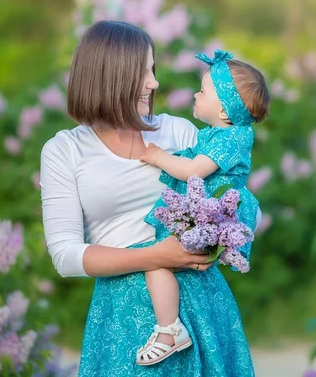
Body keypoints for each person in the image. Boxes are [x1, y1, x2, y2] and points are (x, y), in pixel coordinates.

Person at [40, 20, 258, 376]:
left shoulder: (180, 132)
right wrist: (156, 255)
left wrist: (221, 236)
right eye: (143, 72)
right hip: (121, 313)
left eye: (153, 70)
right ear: (110, 76)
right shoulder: (64, 150)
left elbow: (230, 196)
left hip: (201, 307)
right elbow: (65, 255)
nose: (154, 82)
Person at [135, 49, 270, 366]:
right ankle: (171, 326)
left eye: (203, 90)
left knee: (155, 261)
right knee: (159, 261)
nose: (196, 93)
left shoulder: (229, 138)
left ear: (224, 110)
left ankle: (169, 330)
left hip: (213, 214)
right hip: (208, 212)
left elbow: (192, 171)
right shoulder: (221, 134)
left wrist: (158, 157)